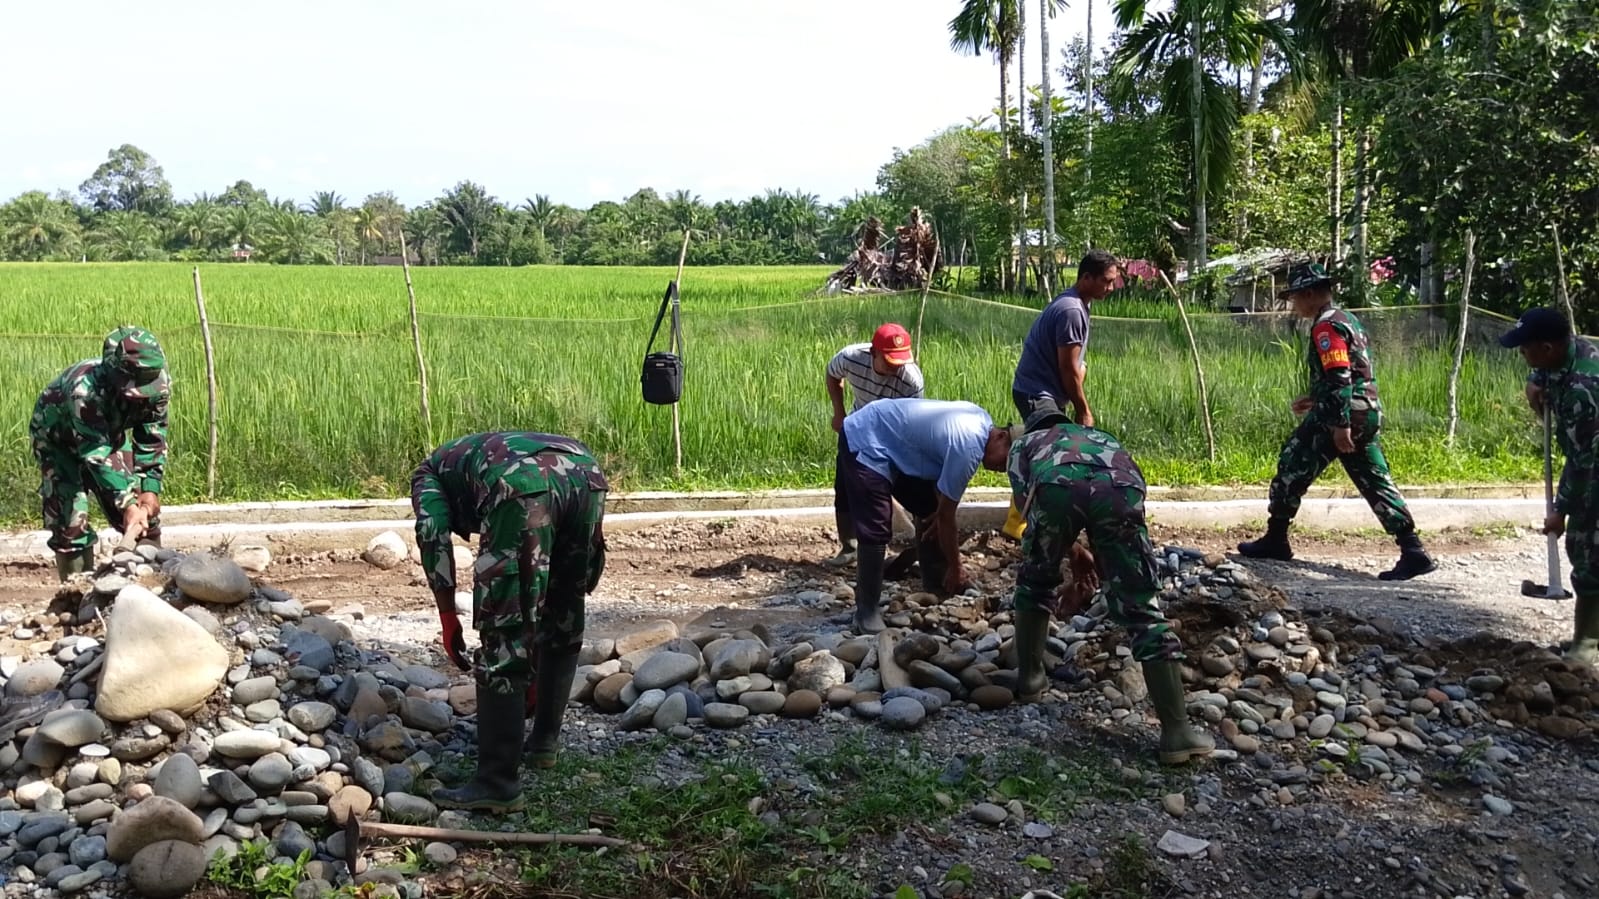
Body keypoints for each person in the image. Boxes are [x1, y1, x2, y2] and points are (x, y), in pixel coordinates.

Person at [1005, 406, 1214, 764]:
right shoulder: (1103, 438)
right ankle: (1176, 732)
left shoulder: (1024, 444)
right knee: (1142, 607)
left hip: (1056, 487)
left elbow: (1028, 507)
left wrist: (1064, 551)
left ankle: (1030, 680)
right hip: (1121, 490)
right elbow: (1130, 482)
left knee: (1035, 582)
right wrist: (1114, 571)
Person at [411, 431, 608, 813]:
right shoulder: (474, 454)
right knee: (565, 611)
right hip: (585, 471)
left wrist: (448, 615)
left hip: (520, 485)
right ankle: (543, 744)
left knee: (504, 632)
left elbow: (432, 532)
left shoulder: (427, 474)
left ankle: (497, 782)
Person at [1237, 263, 1437, 581]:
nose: (1293, 305)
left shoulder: (1326, 327)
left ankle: (1276, 538)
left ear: (1311, 294)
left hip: (1344, 414)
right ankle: (1413, 550)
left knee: (1292, 463)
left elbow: (1340, 375)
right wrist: (1317, 398)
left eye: (1295, 298)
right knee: (1373, 478)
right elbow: (1351, 373)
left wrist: (1339, 421)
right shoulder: (1348, 320)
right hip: (1366, 409)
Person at [836, 398, 1014, 633]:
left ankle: (937, 581)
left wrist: (940, 513)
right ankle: (866, 612)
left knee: (930, 508)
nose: (1004, 468)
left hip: (894, 439)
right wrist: (957, 565)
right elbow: (948, 518)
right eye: (1007, 458)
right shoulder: (969, 448)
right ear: (1001, 437)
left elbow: (941, 503)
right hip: (868, 436)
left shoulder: (982, 419)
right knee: (877, 525)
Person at [29, 326, 169, 581]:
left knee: (143, 514)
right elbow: (97, 455)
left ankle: (151, 584)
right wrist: (125, 503)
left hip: (107, 437)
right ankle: (77, 595)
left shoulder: (156, 381)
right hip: (58, 444)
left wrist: (149, 490)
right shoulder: (85, 391)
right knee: (71, 522)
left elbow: (153, 437)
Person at [1501, 307, 1599, 663]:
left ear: (1547, 347)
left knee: (1588, 552)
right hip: (1589, 459)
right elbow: (1543, 374)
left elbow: (1583, 464)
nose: (1523, 356)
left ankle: (1586, 650)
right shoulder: (1569, 353)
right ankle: (1586, 640)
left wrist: (1560, 512)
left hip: (1593, 466)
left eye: (1526, 349)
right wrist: (1535, 385)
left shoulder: (1583, 391)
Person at [1006, 249, 1123, 539]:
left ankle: (1019, 524)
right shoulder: (1071, 309)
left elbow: (1074, 365)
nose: (1110, 288)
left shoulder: (1078, 303)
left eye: (1113, 282)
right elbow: (1068, 368)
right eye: (1106, 282)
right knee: (1047, 459)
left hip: (1042, 391)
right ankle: (1030, 528)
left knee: (1039, 452)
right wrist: (1083, 410)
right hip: (1038, 394)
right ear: (1086, 277)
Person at [824, 323, 926, 566]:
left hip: (894, 433)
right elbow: (832, 374)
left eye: (900, 363)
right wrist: (839, 413)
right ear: (873, 353)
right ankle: (849, 548)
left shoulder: (911, 380)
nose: (895, 369)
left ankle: (919, 545)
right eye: (889, 362)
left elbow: (912, 422)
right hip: (857, 426)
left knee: (908, 484)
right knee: (846, 484)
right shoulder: (851, 357)